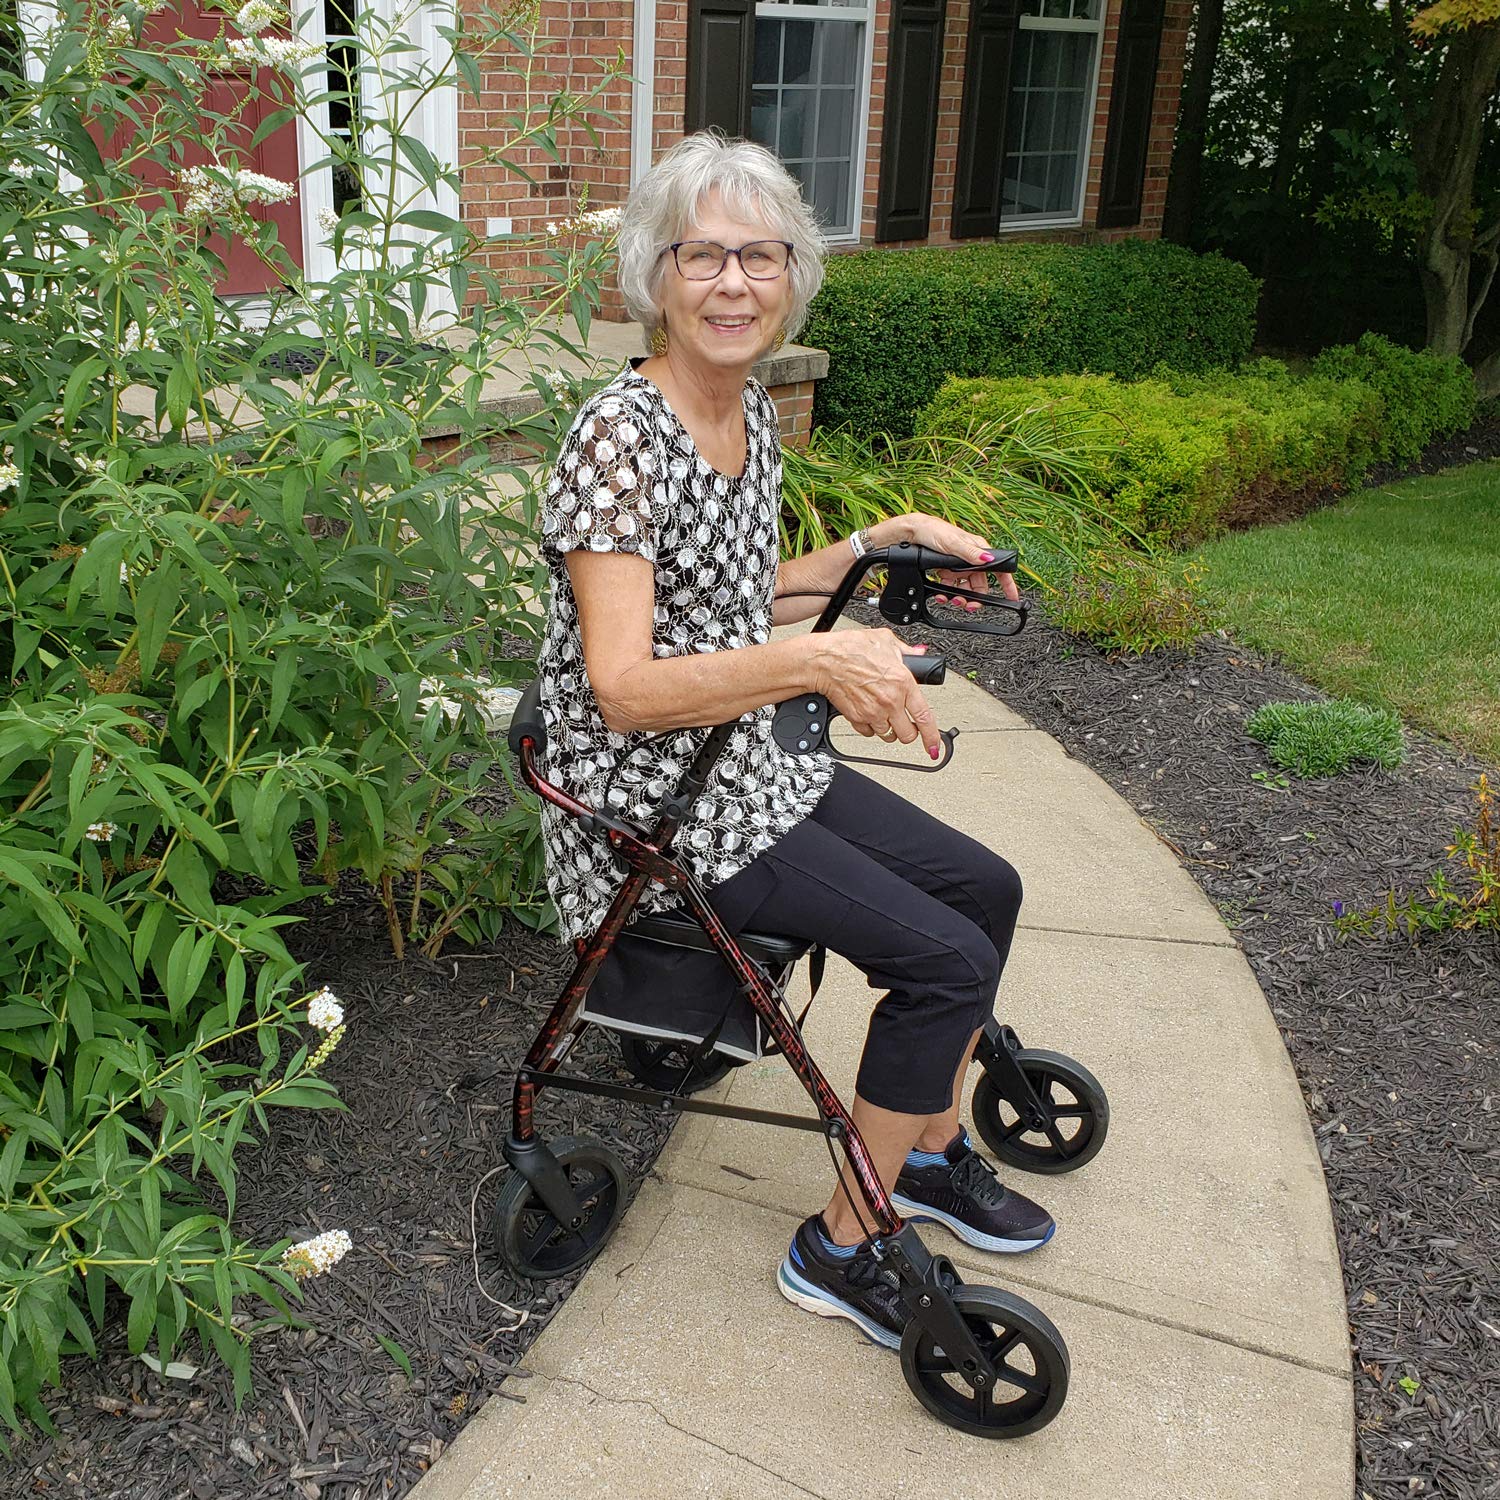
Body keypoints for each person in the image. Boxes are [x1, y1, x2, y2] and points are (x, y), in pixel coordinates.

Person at [534, 132, 1053, 1351]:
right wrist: (822, 662)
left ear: (792, 275)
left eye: (758, 257)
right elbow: (624, 687)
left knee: (987, 889)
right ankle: (842, 1245)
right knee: (945, 963)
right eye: (702, 256)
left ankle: (924, 1152)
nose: (733, 283)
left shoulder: (747, 409)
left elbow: (728, 597)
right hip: (654, 800)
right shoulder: (618, 440)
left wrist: (880, 545)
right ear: (654, 275)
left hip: (744, 763)